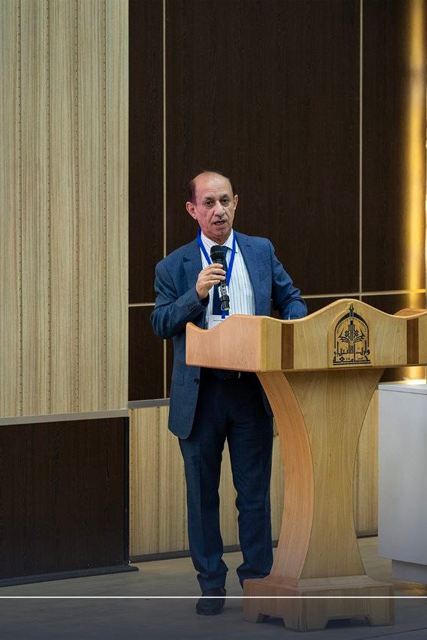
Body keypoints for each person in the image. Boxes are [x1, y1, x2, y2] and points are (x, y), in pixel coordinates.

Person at [151, 171, 307, 616]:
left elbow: (292, 299)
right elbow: (160, 323)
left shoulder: (260, 251)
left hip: (250, 391)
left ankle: (257, 582)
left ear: (236, 202)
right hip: (201, 396)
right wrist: (195, 294)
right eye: (209, 203)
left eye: (225, 201)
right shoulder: (173, 267)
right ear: (193, 210)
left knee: (254, 495)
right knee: (202, 497)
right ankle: (211, 585)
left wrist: (289, 328)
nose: (218, 211)